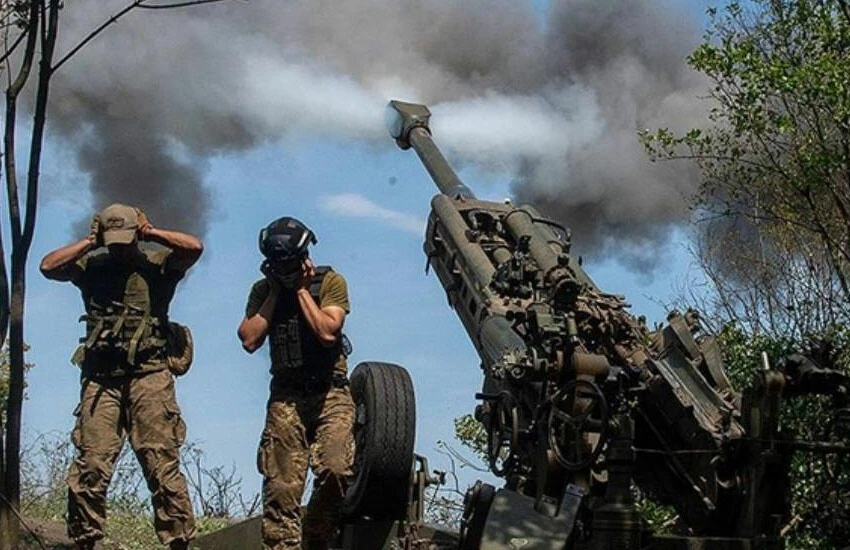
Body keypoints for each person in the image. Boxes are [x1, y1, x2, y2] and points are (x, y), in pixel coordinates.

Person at [40, 203, 203, 550]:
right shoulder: (91, 265)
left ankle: (179, 541)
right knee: (91, 465)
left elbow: (194, 248)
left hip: (150, 376)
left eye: (124, 240)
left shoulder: (156, 265)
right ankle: (85, 539)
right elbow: (47, 267)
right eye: (112, 241)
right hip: (102, 380)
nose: (118, 247)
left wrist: (153, 232)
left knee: (161, 463)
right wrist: (89, 243)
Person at [238, 217, 354, 550]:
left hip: (330, 393)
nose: (283, 268)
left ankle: (316, 534)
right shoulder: (262, 291)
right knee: (281, 486)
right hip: (286, 396)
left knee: (336, 468)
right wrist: (275, 293)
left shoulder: (330, 282)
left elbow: (327, 332)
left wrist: (302, 290)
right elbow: (249, 339)